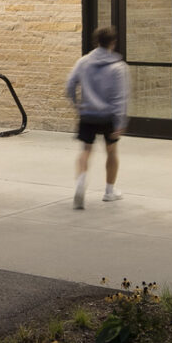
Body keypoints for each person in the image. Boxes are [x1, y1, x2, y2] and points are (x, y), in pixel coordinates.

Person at [65, 25, 128, 209]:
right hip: (108, 116)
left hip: (88, 113)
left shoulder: (83, 62)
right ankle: (109, 191)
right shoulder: (118, 67)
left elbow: (70, 85)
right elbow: (120, 97)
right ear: (113, 43)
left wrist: (77, 105)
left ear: (96, 42)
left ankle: (80, 182)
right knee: (111, 152)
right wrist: (120, 121)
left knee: (85, 149)